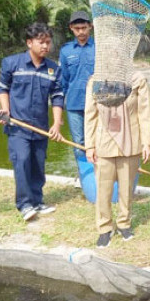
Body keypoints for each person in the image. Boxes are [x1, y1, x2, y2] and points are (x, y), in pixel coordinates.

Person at [0, 22, 64, 222]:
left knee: (38, 164)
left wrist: (56, 123)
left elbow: (58, 97)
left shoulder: (53, 69)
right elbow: (2, 88)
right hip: (18, 127)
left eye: (48, 42)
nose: (45, 46)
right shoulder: (12, 64)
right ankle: (25, 204)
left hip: (41, 128)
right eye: (41, 42)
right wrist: (6, 110)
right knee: (22, 161)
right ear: (29, 43)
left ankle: (37, 200)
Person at [84, 71, 150, 248]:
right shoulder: (95, 80)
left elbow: (144, 111)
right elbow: (90, 114)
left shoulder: (137, 79)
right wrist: (90, 145)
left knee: (127, 187)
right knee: (103, 188)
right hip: (104, 141)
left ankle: (124, 223)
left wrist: (147, 142)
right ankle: (104, 228)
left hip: (130, 139)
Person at [59, 10, 95, 186]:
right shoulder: (66, 51)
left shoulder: (99, 48)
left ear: (90, 27)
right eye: (77, 28)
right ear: (71, 29)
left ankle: (101, 174)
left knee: (97, 140)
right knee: (79, 143)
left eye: (84, 28)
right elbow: (63, 81)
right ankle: (85, 177)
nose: (81, 32)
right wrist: (59, 109)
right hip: (74, 104)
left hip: (97, 105)